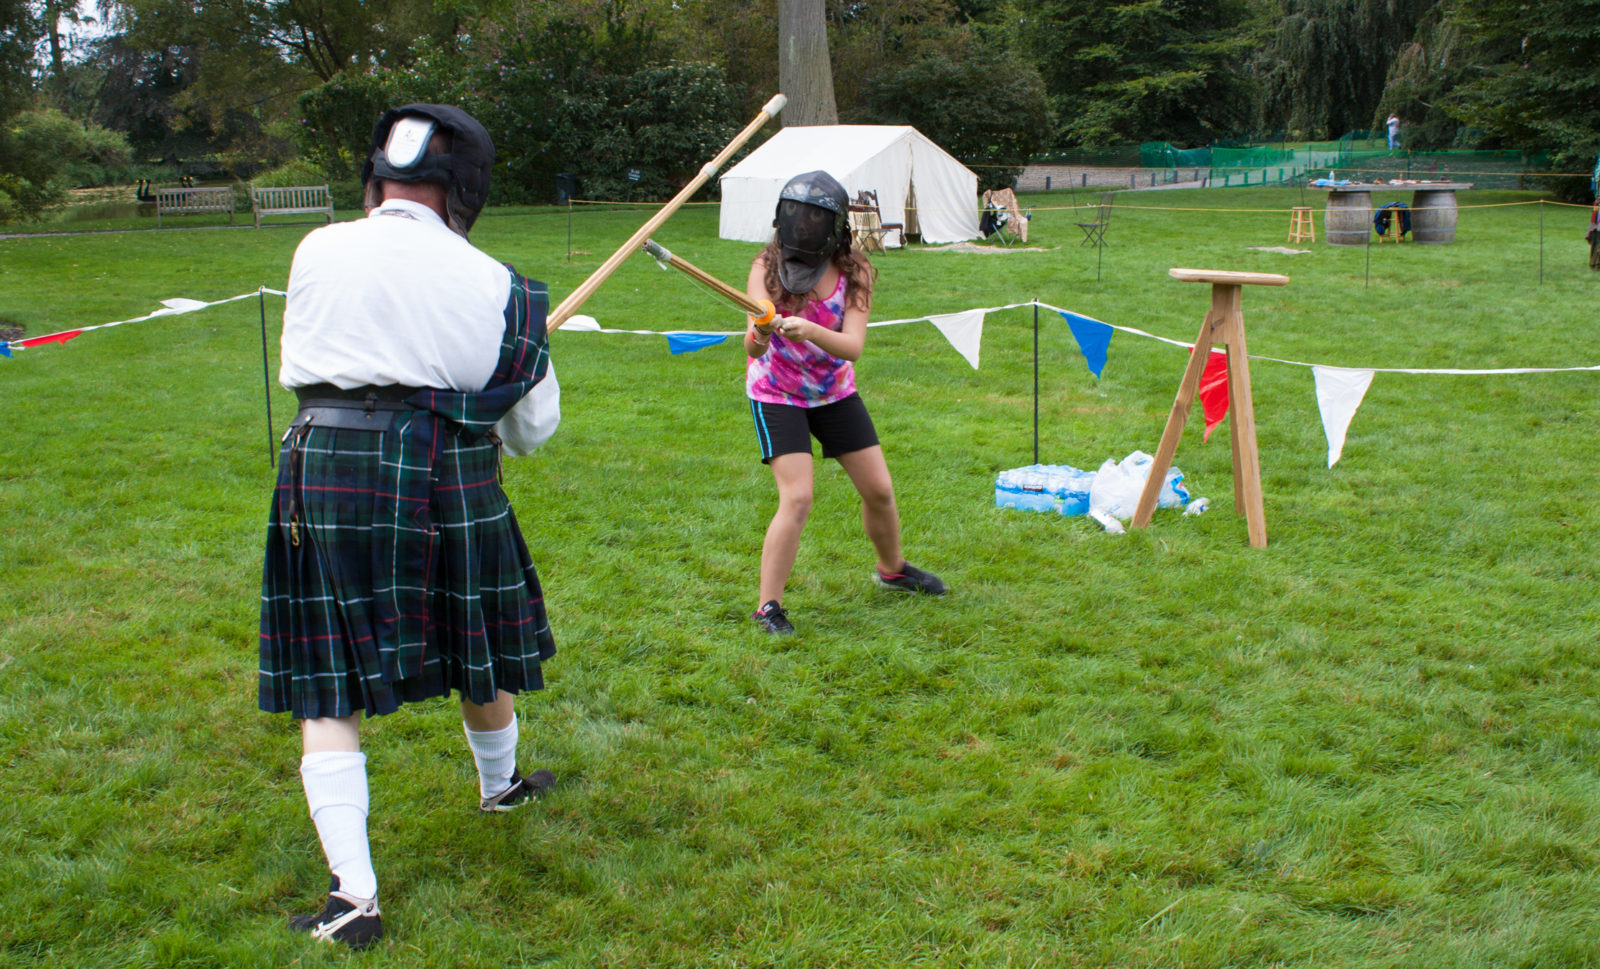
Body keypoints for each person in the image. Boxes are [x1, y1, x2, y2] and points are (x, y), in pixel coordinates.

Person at [258, 103, 562, 950]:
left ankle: (353, 895)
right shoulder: (504, 288)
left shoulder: (315, 248)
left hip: (323, 463)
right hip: (443, 471)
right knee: (479, 641)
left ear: (376, 179)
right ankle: (498, 788)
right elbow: (531, 434)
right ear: (466, 189)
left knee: (329, 680)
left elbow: (311, 361)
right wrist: (511, 368)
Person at [743, 170, 946, 636]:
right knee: (797, 496)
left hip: (834, 391)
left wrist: (809, 329)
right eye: (797, 217)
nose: (805, 226)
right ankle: (768, 607)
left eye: (817, 219)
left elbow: (852, 346)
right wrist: (760, 330)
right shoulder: (766, 267)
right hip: (777, 393)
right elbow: (752, 350)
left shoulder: (855, 271)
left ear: (834, 225)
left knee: (879, 489)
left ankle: (892, 569)